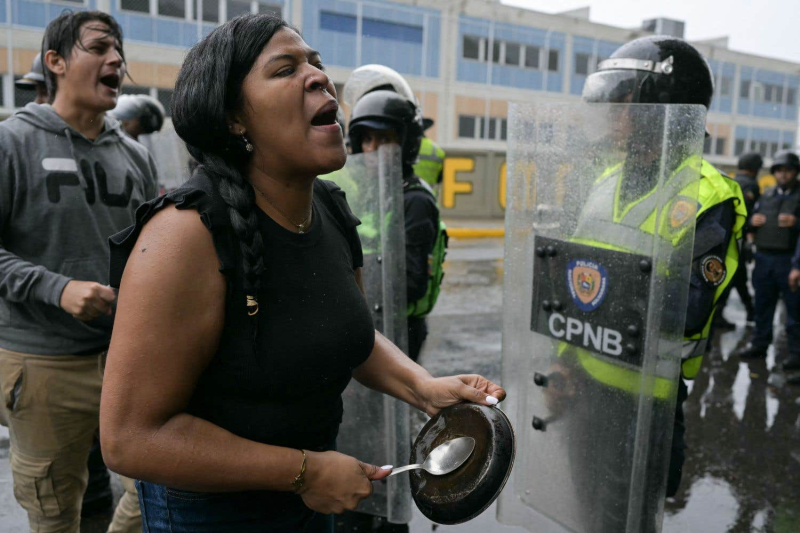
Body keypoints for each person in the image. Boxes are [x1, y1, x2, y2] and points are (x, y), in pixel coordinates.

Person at [98, 15, 504, 533]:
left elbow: (350, 335)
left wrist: (424, 388)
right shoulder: (184, 235)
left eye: (316, 63)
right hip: (211, 515)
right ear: (233, 119)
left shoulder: (331, 208)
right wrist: (304, 471)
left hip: (311, 500)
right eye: (285, 69)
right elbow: (130, 437)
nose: (318, 77)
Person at [565, 35, 746, 529]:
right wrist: (563, 364)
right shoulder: (606, 181)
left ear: (666, 110)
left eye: (628, 107)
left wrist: (606, 294)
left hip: (644, 401)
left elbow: (683, 311)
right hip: (584, 389)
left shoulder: (708, 195)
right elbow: (571, 281)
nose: (616, 119)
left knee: (626, 520)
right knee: (584, 512)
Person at [0, 10, 157, 533]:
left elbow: (147, 252)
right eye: (98, 47)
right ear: (56, 62)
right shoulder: (12, 143)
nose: (117, 59)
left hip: (126, 359)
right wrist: (57, 289)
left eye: (119, 51)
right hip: (43, 365)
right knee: (53, 511)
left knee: (156, 485)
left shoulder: (135, 156)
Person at [734, 150, 800, 371]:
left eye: (788, 170)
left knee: (794, 312)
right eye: (779, 170)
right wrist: (753, 221)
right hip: (764, 260)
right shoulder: (767, 195)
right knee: (762, 306)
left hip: (788, 261)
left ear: (795, 172)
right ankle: (760, 344)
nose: (783, 175)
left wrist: (796, 223)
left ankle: (796, 354)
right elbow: (747, 222)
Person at [714, 152, 762, 328]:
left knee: (735, 276)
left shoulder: (731, 181)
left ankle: (749, 311)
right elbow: (748, 214)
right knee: (734, 276)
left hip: (723, 238)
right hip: (738, 239)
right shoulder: (750, 185)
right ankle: (746, 312)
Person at [413, 118, 446, 197]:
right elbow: (440, 178)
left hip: (407, 196)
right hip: (430, 196)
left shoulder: (407, 147)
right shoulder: (437, 151)